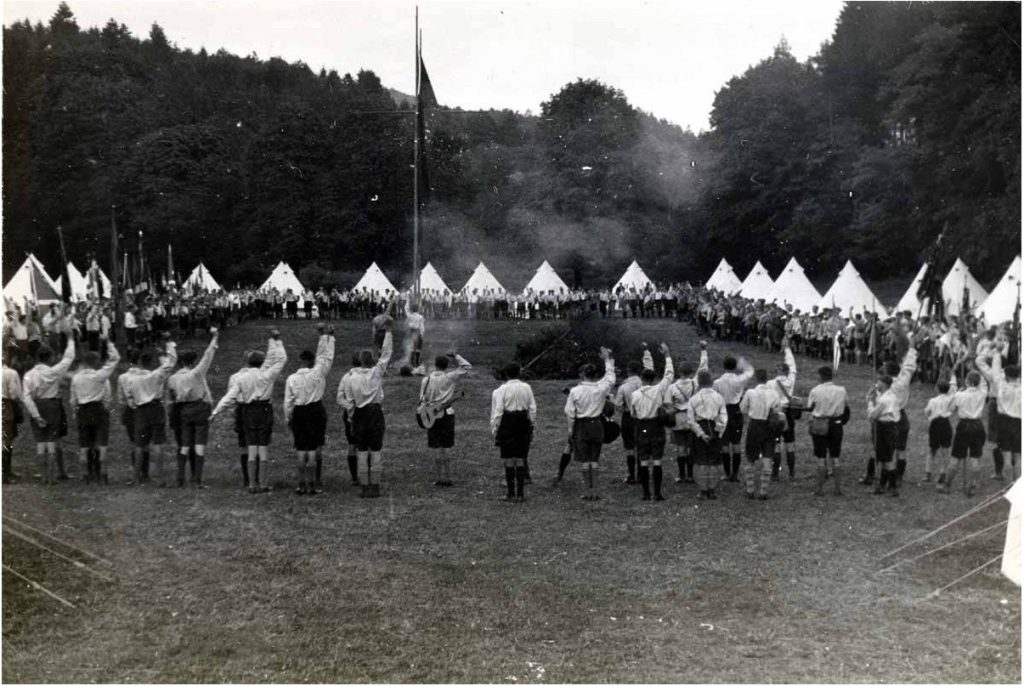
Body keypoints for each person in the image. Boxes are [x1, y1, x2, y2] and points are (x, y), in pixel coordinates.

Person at [210, 330, 287, 494]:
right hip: (264, 409)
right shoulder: (267, 375)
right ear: (262, 363)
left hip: (248, 412)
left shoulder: (241, 378)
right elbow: (282, 359)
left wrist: (215, 412)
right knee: (263, 447)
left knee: (251, 446)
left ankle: (252, 484)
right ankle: (263, 483)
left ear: (248, 362)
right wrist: (276, 341)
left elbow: (229, 397)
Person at [337, 328, 393, 498]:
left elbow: (349, 401)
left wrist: (352, 416)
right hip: (375, 413)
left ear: (360, 362)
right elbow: (387, 354)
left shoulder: (351, 377)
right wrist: (388, 332)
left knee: (361, 451)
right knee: (375, 451)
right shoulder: (376, 373)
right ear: (372, 361)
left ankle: (364, 486)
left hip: (359, 414)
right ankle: (375, 487)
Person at [284, 325, 336, 495]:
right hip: (315, 411)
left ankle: (301, 484)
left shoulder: (292, 378)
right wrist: (327, 337)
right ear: (312, 362)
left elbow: (288, 402)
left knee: (301, 449)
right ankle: (312, 484)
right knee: (313, 449)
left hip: (299, 412)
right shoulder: (317, 373)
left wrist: (288, 419)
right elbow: (326, 357)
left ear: (300, 361)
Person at [166, 328, 220, 488]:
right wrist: (215, 338)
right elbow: (208, 355)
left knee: (184, 444)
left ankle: (180, 478)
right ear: (191, 362)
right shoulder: (196, 374)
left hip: (183, 410)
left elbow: (171, 397)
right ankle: (197, 480)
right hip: (200, 408)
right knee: (199, 444)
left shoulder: (173, 378)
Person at [122, 337, 178, 486]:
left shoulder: (131, 379)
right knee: (158, 443)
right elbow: (171, 362)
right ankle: (158, 478)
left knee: (140, 445)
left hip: (140, 411)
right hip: (156, 408)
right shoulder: (155, 375)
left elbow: (129, 398)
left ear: (139, 363)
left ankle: (136, 476)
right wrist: (165, 349)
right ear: (150, 363)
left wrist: (136, 404)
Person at [564, 346, 616, 500]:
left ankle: (588, 491)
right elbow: (611, 377)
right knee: (595, 459)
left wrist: (570, 429)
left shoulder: (575, 391)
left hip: (582, 425)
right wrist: (607, 360)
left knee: (585, 460)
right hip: (597, 425)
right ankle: (596, 492)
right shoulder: (601, 388)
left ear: (583, 375)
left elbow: (569, 413)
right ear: (595, 375)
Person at [21, 338, 75, 484]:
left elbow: (25, 397)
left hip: (37, 404)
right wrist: (70, 339)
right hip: (52, 406)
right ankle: (51, 477)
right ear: (50, 358)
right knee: (51, 441)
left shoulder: (29, 375)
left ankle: (44, 477)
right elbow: (68, 358)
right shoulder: (53, 372)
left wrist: (36, 415)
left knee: (40, 442)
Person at [69, 338, 120, 484]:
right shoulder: (100, 376)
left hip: (83, 410)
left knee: (84, 445)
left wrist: (74, 412)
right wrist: (109, 343)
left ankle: (86, 475)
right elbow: (115, 359)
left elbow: (73, 398)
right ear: (96, 363)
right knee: (102, 443)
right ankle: (103, 475)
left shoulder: (76, 378)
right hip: (98, 409)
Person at [419, 350, 472, 487]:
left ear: (435, 365)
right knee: (446, 446)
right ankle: (448, 477)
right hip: (447, 413)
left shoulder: (426, 380)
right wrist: (456, 356)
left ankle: (438, 478)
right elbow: (466, 367)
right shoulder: (449, 377)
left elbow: (422, 399)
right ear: (446, 366)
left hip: (431, 414)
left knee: (436, 446)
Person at [629, 343, 673, 501]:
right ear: (654, 379)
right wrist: (667, 356)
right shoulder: (659, 389)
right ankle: (658, 493)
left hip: (641, 426)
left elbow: (633, 414)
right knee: (657, 460)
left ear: (641, 379)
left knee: (643, 460)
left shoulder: (634, 395)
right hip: (656, 426)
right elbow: (669, 375)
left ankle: (646, 493)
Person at [491, 363, 537, 502]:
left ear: (505, 374)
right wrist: (531, 424)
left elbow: (498, 411)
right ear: (519, 373)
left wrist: (495, 429)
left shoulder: (501, 390)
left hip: (508, 421)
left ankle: (511, 493)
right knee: (521, 457)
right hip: (523, 421)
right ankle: (520, 494)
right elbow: (533, 408)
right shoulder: (527, 387)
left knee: (509, 458)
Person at [976, 349, 1021, 482]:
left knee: (1006, 453)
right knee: (1018, 455)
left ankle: (1007, 483)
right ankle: (1017, 484)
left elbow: (990, 368)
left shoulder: (1000, 383)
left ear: (1006, 375)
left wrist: (995, 351)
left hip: (1004, 421)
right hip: (1019, 423)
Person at [667, 342, 709, 484]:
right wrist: (703, 350)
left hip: (678, 417)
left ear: (679, 372)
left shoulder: (672, 387)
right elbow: (703, 366)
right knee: (691, 447)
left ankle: (681, 475)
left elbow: (668, 404)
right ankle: (691, 475)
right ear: (691, 372)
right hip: (692, 417)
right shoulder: (695, 383)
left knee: (680, 448)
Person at [942, 371, 989, 496]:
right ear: (978, 383)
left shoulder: (960, 395)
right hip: (978, 425)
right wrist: (978, 373)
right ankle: (973, 486)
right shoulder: (983, 393)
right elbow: (983, 383)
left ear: (967, 382)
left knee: (956, 457)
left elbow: (950, 409)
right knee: (976, 457)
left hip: (964, 426)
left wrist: (957, 393)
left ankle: (947, 485)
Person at [738, 368, 782, 499]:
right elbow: (777, 410)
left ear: (756, 378)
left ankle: (750, 490)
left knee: (751, 458)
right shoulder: (774, 394)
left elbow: (742, 409)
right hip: (769, 426)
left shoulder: (751, 392)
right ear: (766, 378)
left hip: (755, 426)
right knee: (768, 457)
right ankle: (763, 491)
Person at [806, 366, 849, 496]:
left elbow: (810, 407)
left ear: (820, 376)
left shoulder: (815, 391)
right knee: (835, 456)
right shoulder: (841, 390)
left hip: (820, 423)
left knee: (820, 456)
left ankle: (819, 489)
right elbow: (846, 405)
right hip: (836, 424)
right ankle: (837, 489)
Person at [685, 370, 727, 500]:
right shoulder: (719, 397)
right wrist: (718, 432)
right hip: (715, 427)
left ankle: (703, 490)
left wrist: (701, 434)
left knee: (701, 460)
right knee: (713, 461)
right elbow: (724, 417)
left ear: (698, 382)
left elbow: (690, 420)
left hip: (700, 428)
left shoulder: (693, 399)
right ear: (711, 382)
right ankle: (712, 490)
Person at [712, 354, 754, 482]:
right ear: (735, 367)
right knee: (736, 444)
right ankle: (735, 474)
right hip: (736, 412)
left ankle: (727, 473)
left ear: (723, 366)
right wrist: (743, 363)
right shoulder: (739, 380)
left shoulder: (717, 382)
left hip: (723, 411)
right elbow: (750, 371)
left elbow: (714, 399)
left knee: (724, 445)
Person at [614, 348, 652, 484]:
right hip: (643, 417)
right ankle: (642, 475)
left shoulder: (624, 387)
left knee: (629, 447)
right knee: (641, 446)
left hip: (629, 418)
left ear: (628, 370)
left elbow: (618, 406)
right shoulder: (645, 383)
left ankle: (631, 475)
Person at [867, 374, 901, 497]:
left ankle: (893, 487)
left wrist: (870, 402)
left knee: (886, 460)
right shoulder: (890, 396)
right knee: (885, 457)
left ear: (884, 384)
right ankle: (882, 485)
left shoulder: (885, 399)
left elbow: (873, 416)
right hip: (891, 428)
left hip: (884, 429)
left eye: (879, 382)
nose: (877, 384)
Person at [771, 338, 798, 481]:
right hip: (788, 413)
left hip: (776, 413)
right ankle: (792, 473)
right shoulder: (790, 380)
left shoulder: (771, 383)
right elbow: (793, 367)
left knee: (776, 444)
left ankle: (775, 474)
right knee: (790, 443)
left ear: (777, 371)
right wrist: (787, 349)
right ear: (787, 372)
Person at [923, 373, 956, 484]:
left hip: (935, 424)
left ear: (937, 389)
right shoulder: (950, 398)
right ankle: (943, 472)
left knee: (932, 449)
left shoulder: (933, 401)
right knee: (945, 450)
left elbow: (926, 412)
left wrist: (929, 417)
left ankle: (928, 473)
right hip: (946, 424)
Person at [3, 350, 28, 483]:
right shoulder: (10, 373)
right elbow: (14, 394)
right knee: (7, 440)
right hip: (6, 405)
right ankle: (5, 473)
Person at [406, 302, 426, 371]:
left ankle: (412, 363)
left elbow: (408, 325)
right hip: (417, 332)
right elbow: (422, 327)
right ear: (417, 309)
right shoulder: (420, 317)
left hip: (412, 332)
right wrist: (422, 334)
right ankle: (416, 363)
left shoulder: (410, 316)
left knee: (412, 347)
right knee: (418, 348)